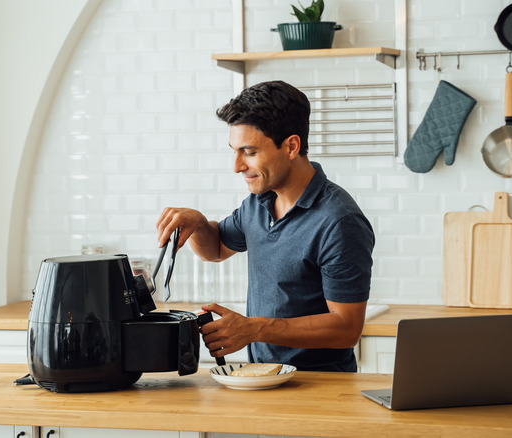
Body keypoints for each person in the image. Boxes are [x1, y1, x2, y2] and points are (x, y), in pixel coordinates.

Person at [155, 80, 374, 372]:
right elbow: (216, 249)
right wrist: (197, 224)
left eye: (249, 152)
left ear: (291, 146)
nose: (237, 166)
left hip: (319, 386)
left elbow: (346, 329)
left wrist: (254, 328)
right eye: (234, 151)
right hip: (262, 378)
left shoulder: (339, 221)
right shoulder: (258, 202)